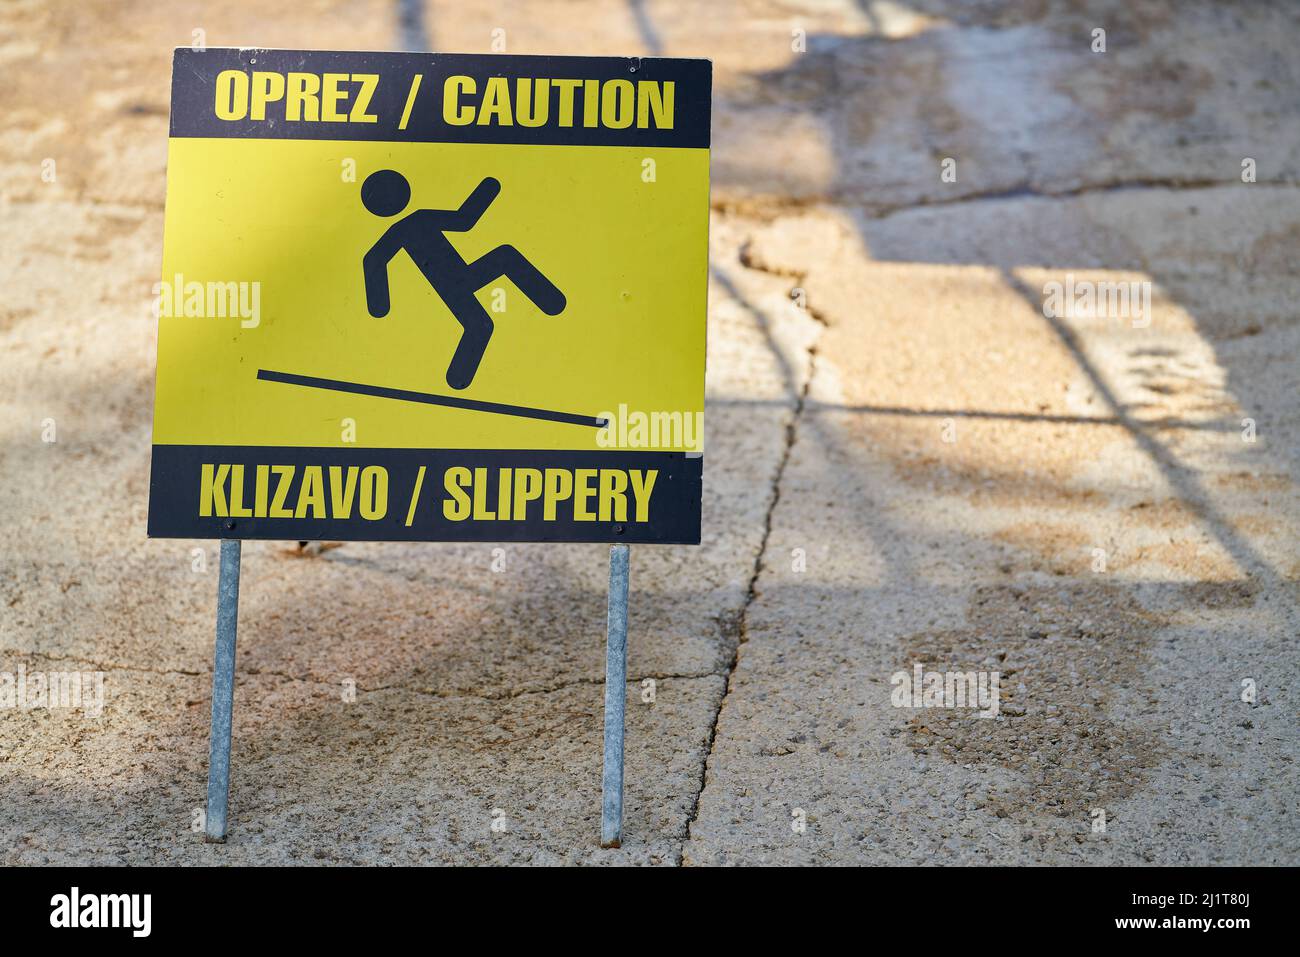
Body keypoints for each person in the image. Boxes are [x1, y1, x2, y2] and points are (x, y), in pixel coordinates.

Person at [361, 169, 566, 390]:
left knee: (502, 267)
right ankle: (457, 378)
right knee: (480, 322)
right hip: (451, 285)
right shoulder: (411, 222)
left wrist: (488, 189)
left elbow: (464, 219)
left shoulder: (409, 223)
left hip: (460, 276)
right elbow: (464, 219)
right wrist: (379, 305)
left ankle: (551, 301)